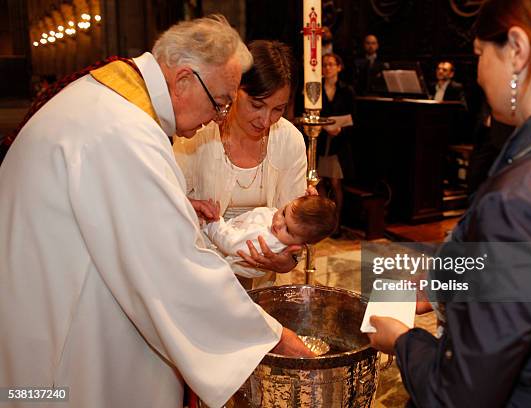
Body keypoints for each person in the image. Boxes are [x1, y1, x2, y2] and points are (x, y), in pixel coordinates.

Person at [0, 16, 313, 408]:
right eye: (220, 103)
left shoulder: (107, 100)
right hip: (64, 325)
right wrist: (271, 336)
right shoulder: (125, 131)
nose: (218, 118)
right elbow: (174, 268)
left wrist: (178, 205)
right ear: (183, 80)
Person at [368, 0, 531, 406]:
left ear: (516, 50)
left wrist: (404, 342)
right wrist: (443, 282)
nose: (479, 74)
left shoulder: (523, 199)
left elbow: (461, 394)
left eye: (480, 54)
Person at [173, 39, 308, 289]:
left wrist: (286, 261)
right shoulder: (198, 131)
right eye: (257, 105)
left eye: (278, 109)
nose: (266, 120)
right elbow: (169, 205)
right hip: (199, 271)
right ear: (235, 88)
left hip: (264, 276)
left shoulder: (289, 140)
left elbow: (296, 226)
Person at [205, 195, 337, 279]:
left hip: (218, 266)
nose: (278, 224)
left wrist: (213, 222)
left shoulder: (269, 241)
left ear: (300, 244)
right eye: (284, 213)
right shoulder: (281, 224)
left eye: (288, 230)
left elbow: (230, 244)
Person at [317, 52, 356, 236]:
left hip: (338, 142)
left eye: (331, 64)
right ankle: (324, 222)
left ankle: (337, 221)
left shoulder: (346, 90)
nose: (327, 68)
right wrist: (324, 126)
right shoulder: (315, 89)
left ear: (339, 67)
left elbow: (353, 117)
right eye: (324, 65)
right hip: (322, 140)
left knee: (335, 182)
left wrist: (340, 129)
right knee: (320, 182)